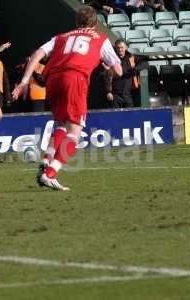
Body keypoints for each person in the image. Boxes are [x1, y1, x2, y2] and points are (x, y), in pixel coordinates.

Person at [13, 6, 122, 191]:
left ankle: (47, 160)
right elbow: (118, 71)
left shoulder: (61, 37)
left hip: (53, 79)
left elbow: (37, 54)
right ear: (96, 24)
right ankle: (50, 174)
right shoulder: (101, 38)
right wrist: (105, 64)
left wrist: (24, 81)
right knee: (75, 132)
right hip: (75, 78)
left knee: (61, 125)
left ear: (76, 22)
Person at [104, 39, 140, 108]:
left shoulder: (131, 57)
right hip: (115, 96)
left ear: (126, 47)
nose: (120, 50)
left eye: (122, 47)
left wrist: (136, 69)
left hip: (128, 95)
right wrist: (108, 92)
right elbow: (106, 76)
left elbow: (145, 62)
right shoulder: (111, 59)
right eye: (118, 48)